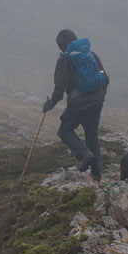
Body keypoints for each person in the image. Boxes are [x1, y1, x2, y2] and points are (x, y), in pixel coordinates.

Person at [42, 29, 109, 180]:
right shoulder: (91, 55)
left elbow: (59, 89)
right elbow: (105, 78)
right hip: (97, 101)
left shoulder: (64, 59)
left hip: (78, 103)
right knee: (92, 135)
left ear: (61, 45)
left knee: (65, 131)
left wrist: (49, 104)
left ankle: (84, 154)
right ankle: (97, 175)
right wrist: (101, 97)